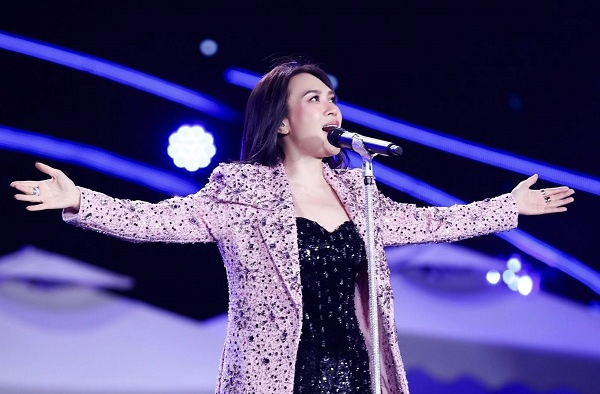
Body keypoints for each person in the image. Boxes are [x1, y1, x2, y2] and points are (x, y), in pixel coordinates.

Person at [10, 61, 575, 394]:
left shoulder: (359, 191)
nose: (332, 108)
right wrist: (80, 199)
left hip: (357, 374)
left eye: (333, 98)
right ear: (281, 121)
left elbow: (426, 222)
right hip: (278, 378)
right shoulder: (240, 190)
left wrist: (508, 207)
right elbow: (160, 220)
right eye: (314, 98)